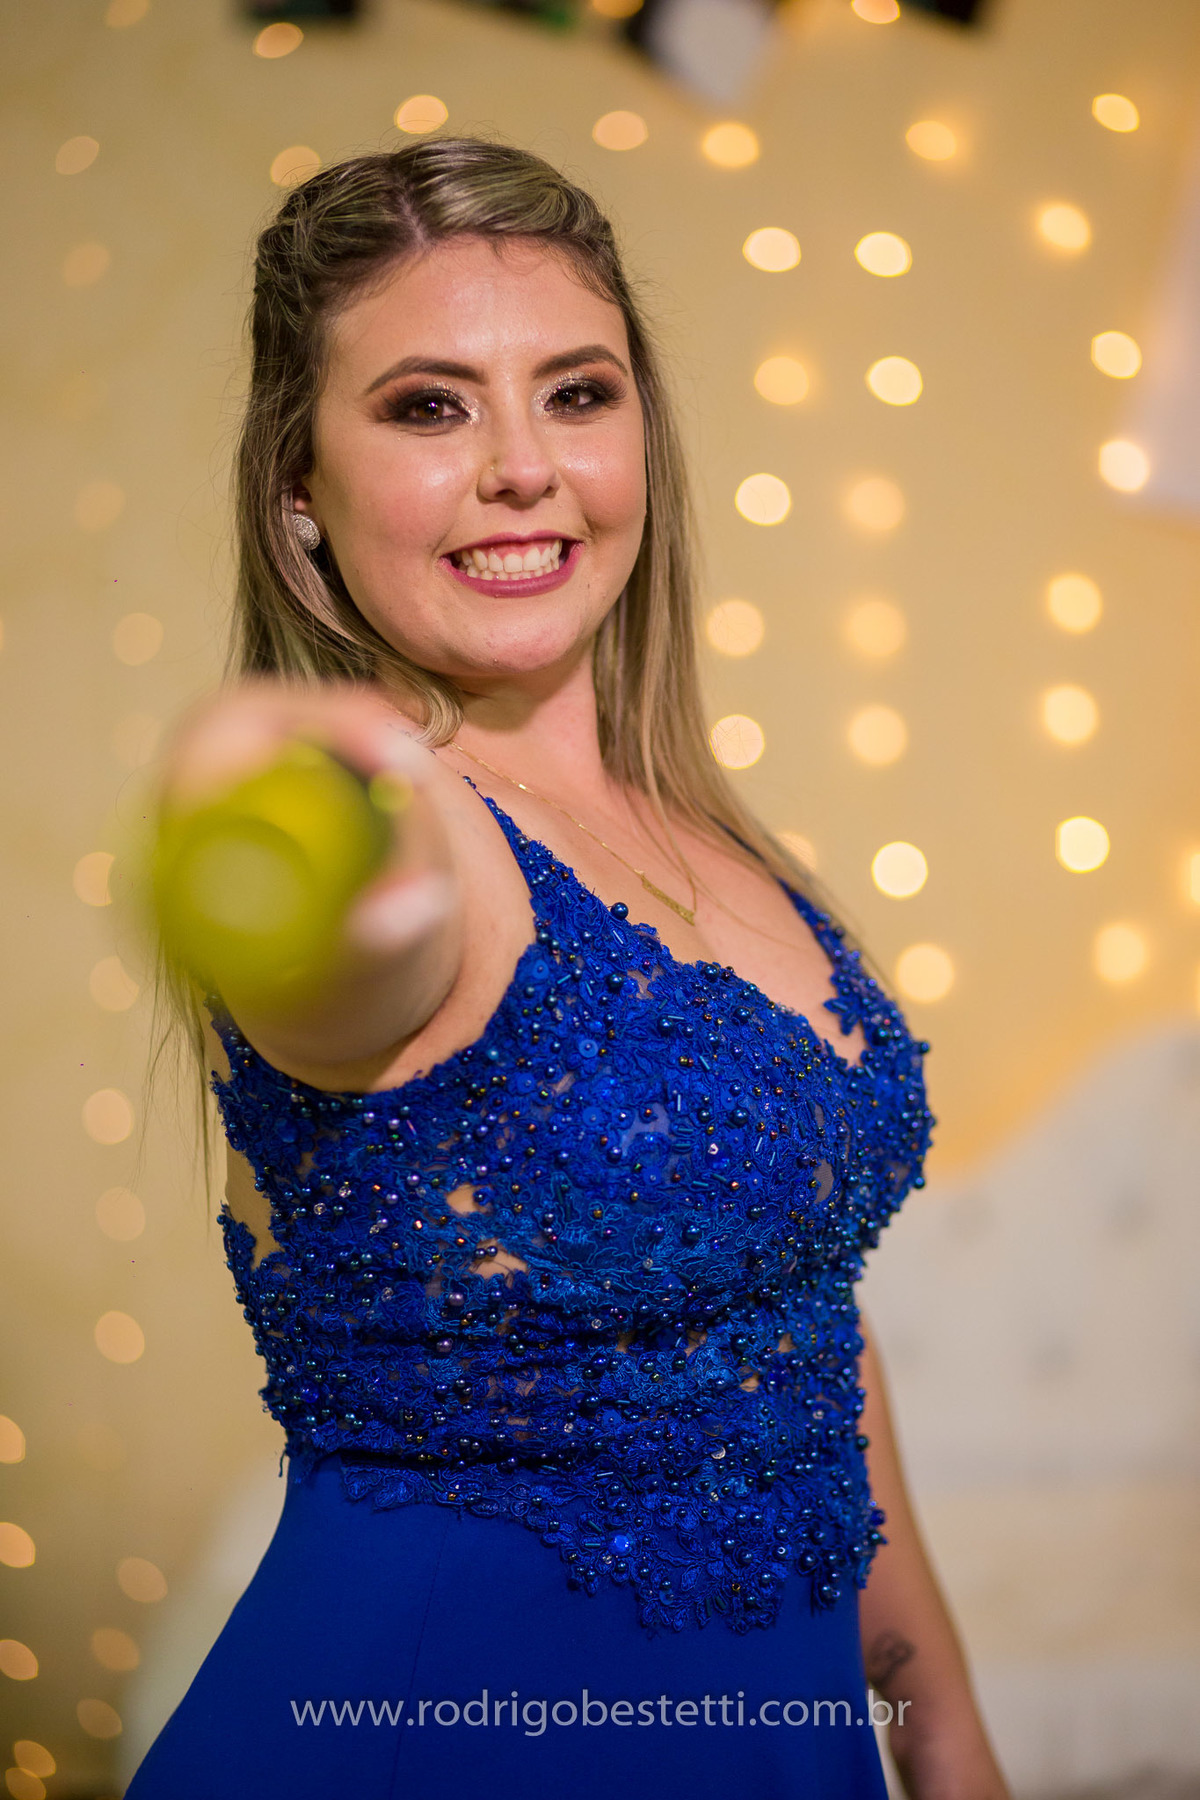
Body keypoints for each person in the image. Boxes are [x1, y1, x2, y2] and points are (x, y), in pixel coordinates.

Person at [126, 137, 1009, 1799]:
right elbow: (330, 899)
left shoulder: (726, 845)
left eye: (577, 393)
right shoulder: (392, 822)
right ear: (297, 488)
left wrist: (939, 1723)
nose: (523, 466)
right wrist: (271, 809)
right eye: (430, 407)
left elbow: (802, 1317)